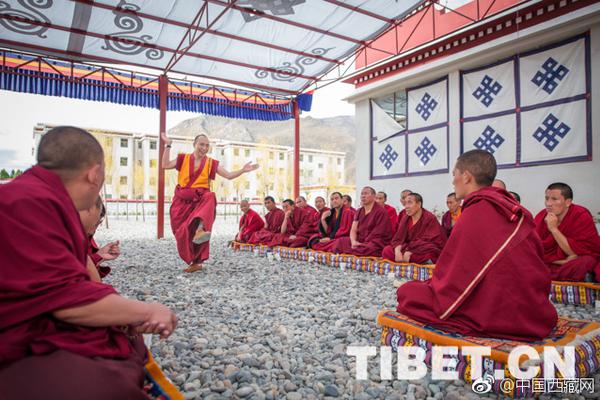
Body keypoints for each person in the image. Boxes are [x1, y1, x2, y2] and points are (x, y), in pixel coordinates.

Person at [0, 126, 178, 399]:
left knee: (119, 333)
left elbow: (61, 284)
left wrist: (125, 314)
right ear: (95, 174)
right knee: (102, 382)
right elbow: (67, 302)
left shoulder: (35, 196)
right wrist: (149, 310)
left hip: (26, 319)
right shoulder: (30, 203)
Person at [396, 150, 557, 341]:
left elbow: (453, 280)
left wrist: (432, 285)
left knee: (407, 292)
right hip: (534, 307)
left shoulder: (475, 213)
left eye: (454, 175)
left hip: (497, 304)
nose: (453, 181)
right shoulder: (513, 208)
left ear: (466, 177)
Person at [161, 132, 258, 273]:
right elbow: (165, 165)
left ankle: (200, 232)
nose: (204, 148)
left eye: (207, 145)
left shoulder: (211, 163)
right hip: (182, 200)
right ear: (194, 144)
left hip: (200, 199)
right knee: (182, 232)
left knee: (210, 196)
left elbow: (228, 175)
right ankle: (193, 261)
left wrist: (243, 170)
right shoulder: (183, 159)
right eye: (201, 144)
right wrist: (168, 145)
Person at [534, 183, 600, 282]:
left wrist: (553, 229)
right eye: (547, 198)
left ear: (568, 202)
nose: (548, 203)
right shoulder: (541, 216)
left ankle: (545, 277)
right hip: (553, 262)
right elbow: (533, 249)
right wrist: (562, 261)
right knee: (525, 262)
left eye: (554, 199)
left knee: (587, 262)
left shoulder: (580, 215)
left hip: (573, 262)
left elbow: (576, 252)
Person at [322, 187, 392, 257]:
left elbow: (379, 233)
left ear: (374, 196)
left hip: (373, 242)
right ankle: (352, 250)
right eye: (362, 194)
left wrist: (363, 243)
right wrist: (353, 241)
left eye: (366, 193)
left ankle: (351, 251)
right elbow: (353, 229)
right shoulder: (359, 211)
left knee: (369, 248)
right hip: (358, 240)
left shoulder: (381, 212)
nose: (363, 196)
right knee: (340, 241)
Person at [382, 193, 447, 264]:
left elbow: (431, 241)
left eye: (409, 203)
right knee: (386, 250)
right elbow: (398, 238)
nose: (406, 206)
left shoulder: (429, 218)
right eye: (405, 203)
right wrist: (397, 251)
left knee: (429, 255)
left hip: (421, 249)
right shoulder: (405, 218)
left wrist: (411, 251)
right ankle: (406, 259)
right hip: (408, 247)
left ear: (419, 204)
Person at [80, 196, 120, 281]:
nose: (93, 230)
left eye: (98, 223)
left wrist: (100, 256)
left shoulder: (86, 233)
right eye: (96, 223)